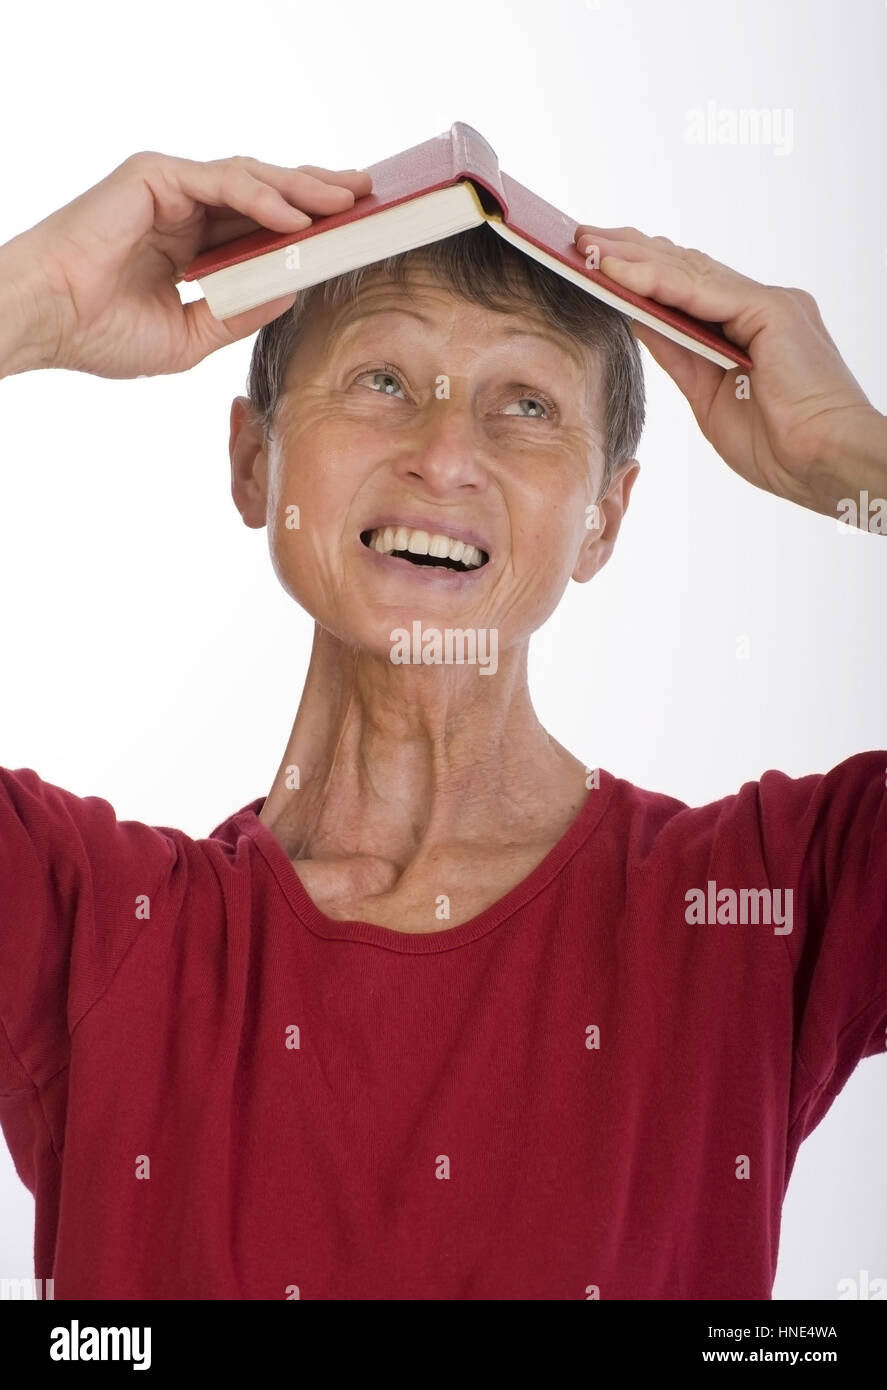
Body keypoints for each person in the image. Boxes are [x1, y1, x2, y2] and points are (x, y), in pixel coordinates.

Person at [0, 151, 884, 1301]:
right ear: (253, 460)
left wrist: (851, 455)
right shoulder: (89, 928)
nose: (445, 454)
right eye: (379, 380)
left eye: (524, 404)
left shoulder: (756, 909)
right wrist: (31, 302)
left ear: (601, 520)